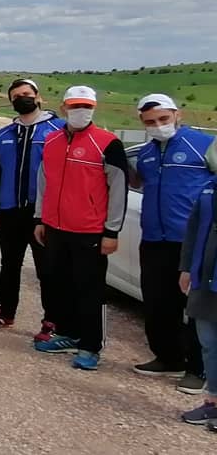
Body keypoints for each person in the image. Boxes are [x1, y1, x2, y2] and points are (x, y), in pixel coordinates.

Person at [35, 86, 129, 371]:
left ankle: (90, 345)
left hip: (89, 230)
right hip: (54, 226)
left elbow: (118, 190)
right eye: (75, 106)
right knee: (60, 284)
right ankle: (67, 333)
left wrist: (111, 231)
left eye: (86, 106)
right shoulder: (51, 141)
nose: (81, 111)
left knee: (89, 290)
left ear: (94, 108)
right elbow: (44, 182)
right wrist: (40, 218)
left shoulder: (108, 143)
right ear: (64, 108)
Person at [132, 93, 213, 393]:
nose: (158, 126)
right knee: (156, 302)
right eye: (150, 122)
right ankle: (168, 358)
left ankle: (198, 368)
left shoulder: (203, 145)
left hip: (192, 241)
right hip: (154, 238)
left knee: (194, 308)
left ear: (177, 114)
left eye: (164, 119)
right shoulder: (146, 153)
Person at [0, 79, 65, 334]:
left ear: (38, 96)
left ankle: (52, 320)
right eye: (16, 96)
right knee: (9, 265)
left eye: (26, 94)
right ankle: (6, 312)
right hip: (9, 210)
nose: (22, 98)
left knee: (47, 269)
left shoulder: (58, 130)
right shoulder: (5, 134)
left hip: (42, 212)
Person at [178, 142, 217, 430]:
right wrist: (186, 268)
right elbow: (193, 229)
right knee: (208, 344)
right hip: (205, 279)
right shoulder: (208, 187)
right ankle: (213, 402)